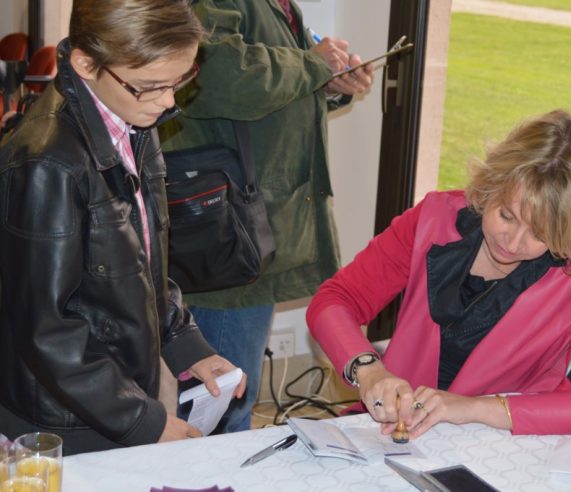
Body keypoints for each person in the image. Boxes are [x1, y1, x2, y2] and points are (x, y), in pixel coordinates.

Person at [0, 0, 245, 455]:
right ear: (86, 63)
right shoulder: (47, 163)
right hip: (65, 420)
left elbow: (143, 261)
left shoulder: (133, 118)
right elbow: (45, 328)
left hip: (111, 393)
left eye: (179, 82)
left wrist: (189, 347)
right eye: (151, 86)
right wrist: (141, 419)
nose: (168, 101)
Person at [307, 110, 571, 439]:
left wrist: (475, 408)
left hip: (507, 442)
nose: (513, 242)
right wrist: (369, 371)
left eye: (540, 233)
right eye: (506, 215)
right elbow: (335, 301)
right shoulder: (433, 221)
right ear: (493, 184)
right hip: (396, 428)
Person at [159, 0, 374, 433]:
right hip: (226, 237)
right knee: (221, 405)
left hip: (254, 229)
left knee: (234, 393)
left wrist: (330, 84)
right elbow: (216, 75)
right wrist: (311, 65)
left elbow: (272, 96)